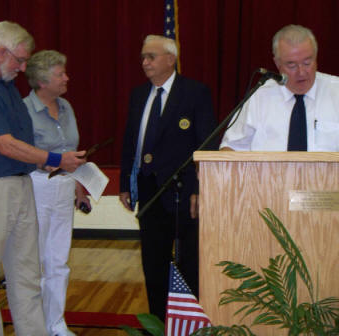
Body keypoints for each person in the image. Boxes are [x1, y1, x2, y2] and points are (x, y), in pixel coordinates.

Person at [0, 21, 86, 336]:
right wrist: (56, 160)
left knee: (26, 274)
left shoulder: (9, 89)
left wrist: (53, 163)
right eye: (19, 60)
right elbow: (6, 144)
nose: (23, 67)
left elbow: (26, 142)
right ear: (0, 52)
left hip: (21, 185)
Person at [119, 35, 217, 321]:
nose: (145, 62)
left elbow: (207, 144)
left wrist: (201, 188)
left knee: (188, 264)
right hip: (148, 191)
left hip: (184, 192)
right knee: (153, 263)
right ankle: (158, 323)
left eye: (151, 56)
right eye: (143, 57)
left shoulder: (195, 93)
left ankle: (189, 323)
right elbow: (131, 142)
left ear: (171, 59)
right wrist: (126, 183)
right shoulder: (139, 94)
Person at [23, 50, 90, 336]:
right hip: (36, 186)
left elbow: (70, 152)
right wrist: (55, 161)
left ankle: (56, 323)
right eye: (60, 74)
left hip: (64, 185)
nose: (66, 78)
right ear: (41, 80)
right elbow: (21, 154)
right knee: (35, 260)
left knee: (58, 259)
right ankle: (35, 325)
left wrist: (79, 186)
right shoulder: (23, 110)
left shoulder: (66, 107)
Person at [220, 24, 339, 151]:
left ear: (316, 58)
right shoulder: (260, 96)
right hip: (267, 172)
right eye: (292, 65)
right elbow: (230, 149)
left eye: (307, 63)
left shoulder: (335, 91)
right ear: (277, 64)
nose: (301, 72)